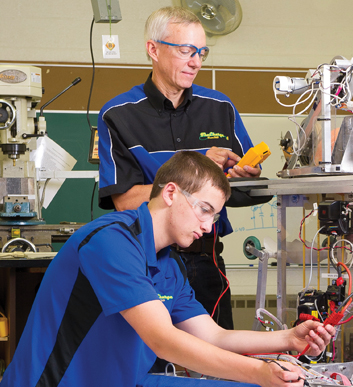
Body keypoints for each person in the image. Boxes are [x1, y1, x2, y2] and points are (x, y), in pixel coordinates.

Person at [0, 152, 334, 387]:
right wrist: (259, 372)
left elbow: (214, 336)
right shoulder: (112, 241)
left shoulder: (170, 265)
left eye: (215, 217)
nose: (207, 226)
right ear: (171, 192)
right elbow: (163, 340)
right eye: (204, 210)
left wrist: (287, 339)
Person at [97, 6, 261, 330]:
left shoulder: (220, 108)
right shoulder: (118, 115)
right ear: (153, 49)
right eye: (186, 50)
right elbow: (126, 200)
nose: (196, 62)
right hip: (146, 261)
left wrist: (245, 178)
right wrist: (201, 170)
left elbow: (244, 188)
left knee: (216, 367)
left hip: (206, 259)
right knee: (150, 366)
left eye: (202, 52)